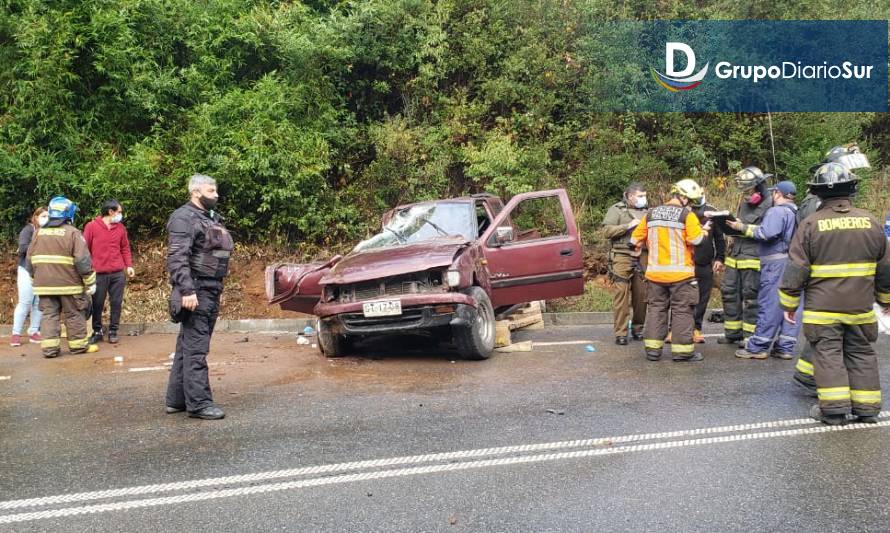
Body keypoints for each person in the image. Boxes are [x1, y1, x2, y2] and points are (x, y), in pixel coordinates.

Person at [779, 163, 890, 425]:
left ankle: (834, 411)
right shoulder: (870, 222)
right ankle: (867, 409)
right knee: (862, 353)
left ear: (818, 193)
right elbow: (885, 267)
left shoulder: (810, 224)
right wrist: (885, 300)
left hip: (823, 310)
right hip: (861, 308)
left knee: (827, 354)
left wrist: (789, 304)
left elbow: (796, 270)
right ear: (851, 189)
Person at [793, 144, 872, 393]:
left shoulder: (840, 207)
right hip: (826, 282)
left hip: (839, 284)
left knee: (828, 335)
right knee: (829, 337)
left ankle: (810, 374)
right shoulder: (813, 205)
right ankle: (818, 381)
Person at [165, 174, 234, 420]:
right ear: (196, 192)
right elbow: (177, 257)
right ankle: (199, 404)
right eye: (211, 190)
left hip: (209, 287)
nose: (216, 195)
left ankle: (177, 400)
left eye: (216, 190)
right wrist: (187, 290)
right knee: (196, 348)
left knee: (187, 345)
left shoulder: (207, 218)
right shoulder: (184, 218)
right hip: (196, 289)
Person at [631, 179, 707, 362]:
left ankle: (653, 351)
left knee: (656, 309)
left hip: (655, 274)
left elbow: (634, 240)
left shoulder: (651, 214)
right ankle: (682, 352)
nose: (690, 203)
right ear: (683, 197)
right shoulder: (687, 216)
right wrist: (703, 232)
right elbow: (696, 241)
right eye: (690, 200)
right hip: (681, 275)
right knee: (682, 311)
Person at [729, 181, 801, 360]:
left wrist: (741, 227)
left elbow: (765, 233)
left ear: (777, 193)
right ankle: (785, 347)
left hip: (775, 264)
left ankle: (758, 346)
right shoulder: (795, 211)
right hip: (792, 262)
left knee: (770, 303)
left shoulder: (777, 211)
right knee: (790, 305)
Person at [25, 196, 98, 357]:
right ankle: (78, 346)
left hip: (44, 285)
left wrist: (32, 278)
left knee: (49, 315)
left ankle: (50, 349)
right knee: (74, 314)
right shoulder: (72, 233)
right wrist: (90, 282)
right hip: (69, 284)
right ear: (68, 213)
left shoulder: (38, 233)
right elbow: (82, 260)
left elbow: (29, 258)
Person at [717, 166, 773, 347]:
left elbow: (768, 231)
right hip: (736, 254)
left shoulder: (771, 204)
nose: (746, 194)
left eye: (749, 190)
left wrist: (742, 227)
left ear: (759, 187)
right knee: (729, 292)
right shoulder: (745, 203)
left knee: (751, 297)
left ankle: (750, 336)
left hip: (753, 256)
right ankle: (732, 333)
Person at [601, 182, 648, 345]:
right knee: (621, 294)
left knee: (642, 295)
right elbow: (607, 231)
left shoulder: (648, 212)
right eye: (640, 196)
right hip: (622, 255)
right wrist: (627, 226)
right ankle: (621, 333)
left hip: (643, 255)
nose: (644, 199)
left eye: (645, 195)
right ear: (629, 196)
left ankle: (638, 328)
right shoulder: (617, 210)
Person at [83, 199, 135, 344]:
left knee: (116, 302)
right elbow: (84, 249)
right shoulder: (92, 226)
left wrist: (128, 265)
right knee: (97, 303)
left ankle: (113, 331)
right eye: (119, 212)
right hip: (98, 273)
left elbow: (125, 247)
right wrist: (87, 270)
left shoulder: (120, 228)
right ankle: (97, 330)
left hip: (117, 273)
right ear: (110, 212)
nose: (120, 215)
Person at [689, 190, 725, 343]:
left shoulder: (712, 212)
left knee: (702, 299)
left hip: (705, 262)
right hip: (686, 263)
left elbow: (719, 237)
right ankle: (674, 329)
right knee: (682, 298)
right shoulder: (684, 211)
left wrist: (719, 257)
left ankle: (696, 329)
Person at [10, 207, 47, 346]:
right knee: (25, 302)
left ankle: (34, 331)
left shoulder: (47, 231)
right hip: (26, 269)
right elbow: (23, 248)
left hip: (41, 271)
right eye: (43, 216)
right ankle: (16, 333)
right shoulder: (28, 230)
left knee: (38, 302)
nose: (46, 218)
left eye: (48, 216)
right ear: (36, 217)